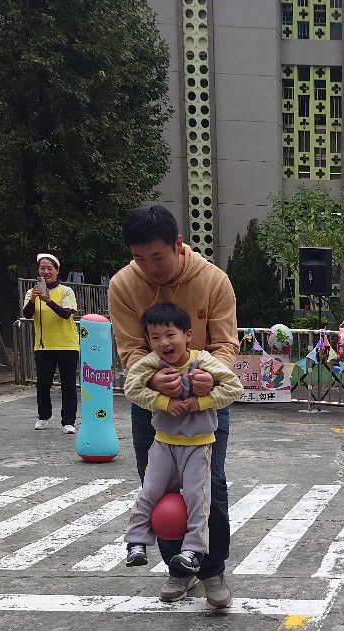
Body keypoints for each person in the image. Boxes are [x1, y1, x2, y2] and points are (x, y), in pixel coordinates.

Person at [110, 204, 238, 608]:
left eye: (158, 257)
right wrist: (152, 379)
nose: (150, 268)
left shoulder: (214, 281)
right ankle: (178, 569)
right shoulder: (123, 285)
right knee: (156, 484)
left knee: (210, 485)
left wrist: (210, 377)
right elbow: (131, 349)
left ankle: (212, 569)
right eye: (139, 259)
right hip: (153, 405)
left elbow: (225, 344)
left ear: (178, 245)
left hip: (204, 402)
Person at [124, 303, 242, 577]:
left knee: (197, 498)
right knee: (149, 491)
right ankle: (136, 542)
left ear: (188, 335)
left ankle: (193, 550)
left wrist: (204, 400)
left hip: (198, 446)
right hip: (163, 444)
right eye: (155, 337)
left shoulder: (203, 360)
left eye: (170, 335)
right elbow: (131, 388)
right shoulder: (152, 363)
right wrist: (161, 400)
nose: (163, 343)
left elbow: (233, 387)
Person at [22, 253, 80, 433]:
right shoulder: (32, 292)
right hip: (43, 345)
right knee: (43, 384)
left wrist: (49, 301)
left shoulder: (66, 291)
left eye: (49, 268)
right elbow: (27, 315)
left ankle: (68, 421)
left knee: (68, 385)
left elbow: (66, 314)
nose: (46, 272)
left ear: (57, 270)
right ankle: (43, 416)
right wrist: (34, 299)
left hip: (67, 344)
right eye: (42, 268)